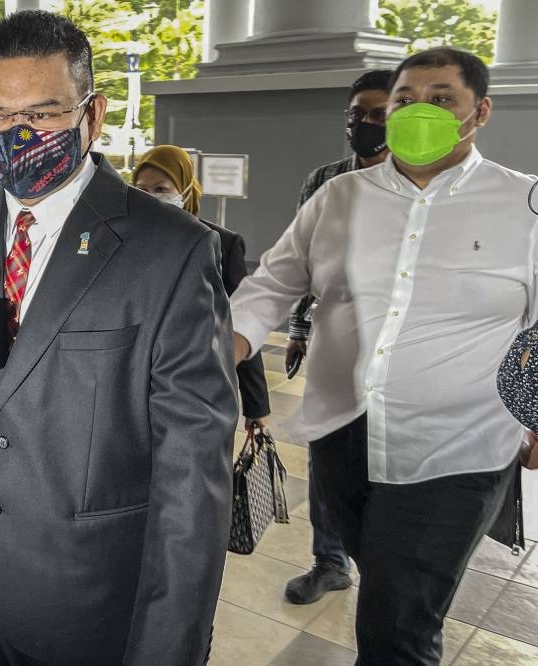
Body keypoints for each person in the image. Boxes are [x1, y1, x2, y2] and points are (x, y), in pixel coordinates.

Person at [0, 11, 237, 665]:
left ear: (92, 116)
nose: (17, 134)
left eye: (41, 114)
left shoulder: (171, 249)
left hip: (80, 601)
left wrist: (170, 647)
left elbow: (192, 475)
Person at [230, 48, 537, 664]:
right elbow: (273, 284)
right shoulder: (339, 197)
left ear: (480, 112)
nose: (419, 110)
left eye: (441, 98)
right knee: (392, 583)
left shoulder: (524, 204)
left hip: (456, 448)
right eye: (405, 99)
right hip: (342, 435)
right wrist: (223, 349)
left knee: (395, 626)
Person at [280, 69, 393, 606]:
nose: (363, 124)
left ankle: (386, 568)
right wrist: (298, 330)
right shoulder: (324, 181)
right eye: (355, 114)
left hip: (397, 354)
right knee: (327, 453)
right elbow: (302, 262)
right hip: (333, 343)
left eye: (376, 114)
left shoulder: (421, 186)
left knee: (383, 461)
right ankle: (330, 562)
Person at [132, 145, 270, 431]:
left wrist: (256, 405)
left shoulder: (220, 243)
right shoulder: (125, 241)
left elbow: (238, 321)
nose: (150, 197)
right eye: (141, 189)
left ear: (183, 190)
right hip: (135, 380)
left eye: (161, 189)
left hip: (196, 383)